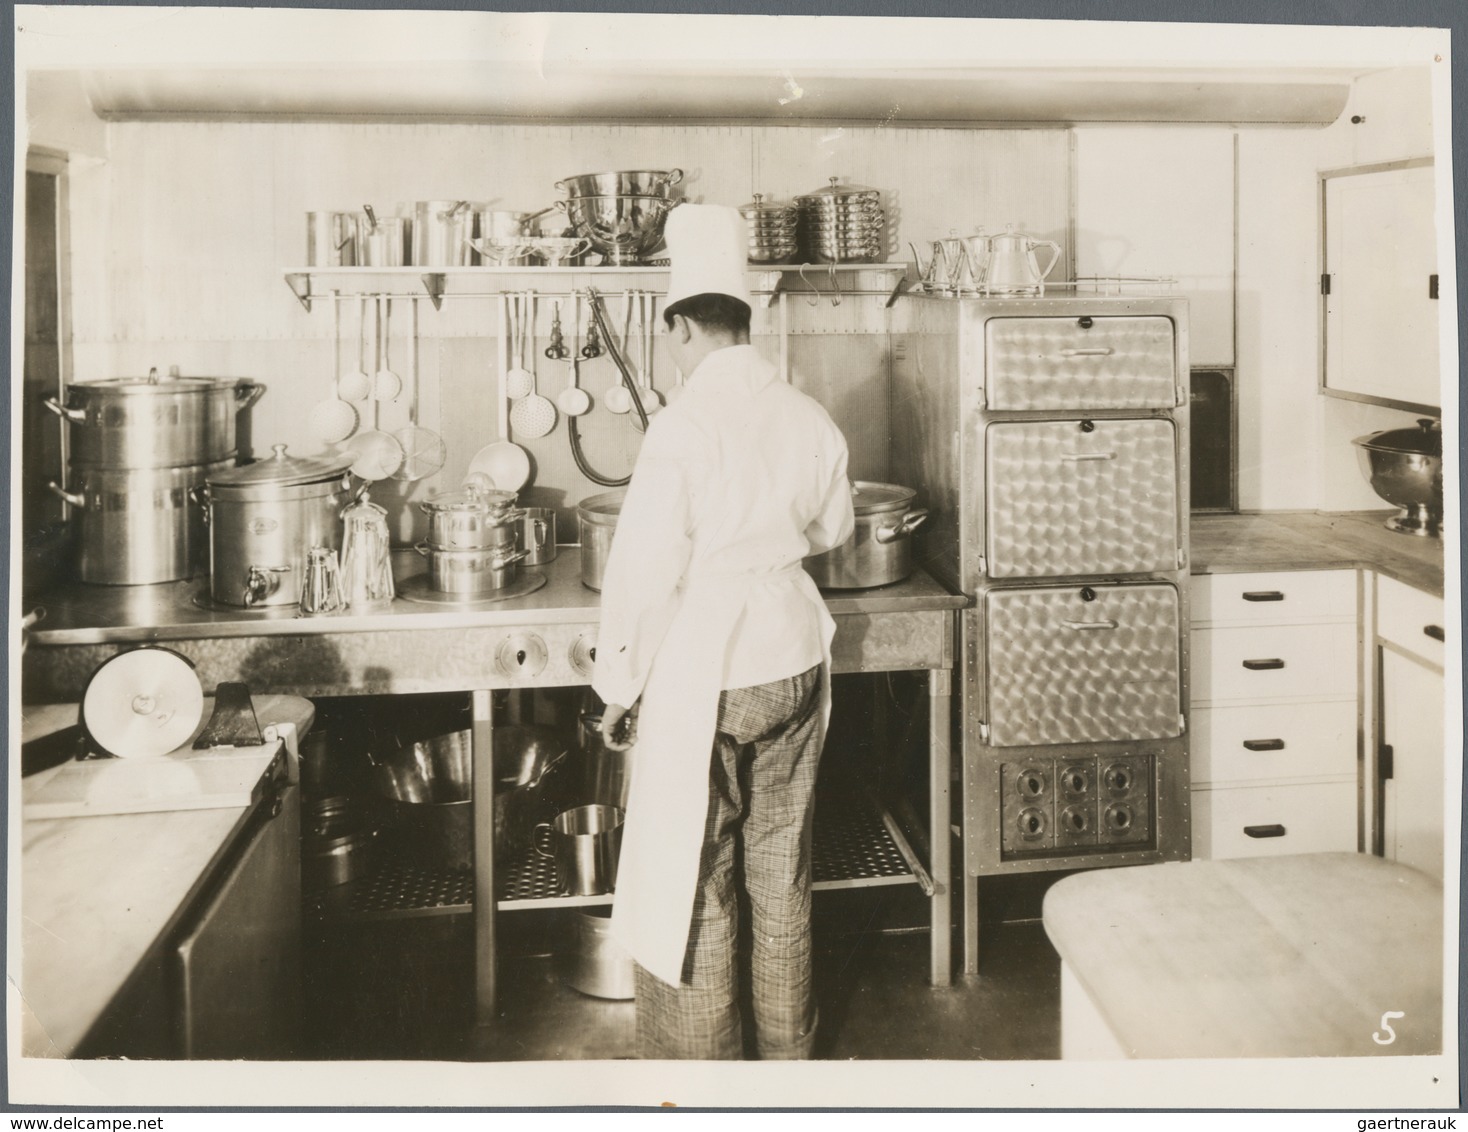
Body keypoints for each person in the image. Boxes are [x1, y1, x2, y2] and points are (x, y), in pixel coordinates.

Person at [591, 204, 855, 1060]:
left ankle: (705, 1083)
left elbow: (643, 574)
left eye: (671, 336)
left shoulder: (682, 426)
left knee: (695, 880)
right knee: (780, 873)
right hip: (794, 654)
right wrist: (769, 551)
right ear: (745, 322)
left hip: (710, 669)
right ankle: (786, 1063)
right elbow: (833, 531)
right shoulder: (806, 414)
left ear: (679, 326)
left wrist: (617, 686)